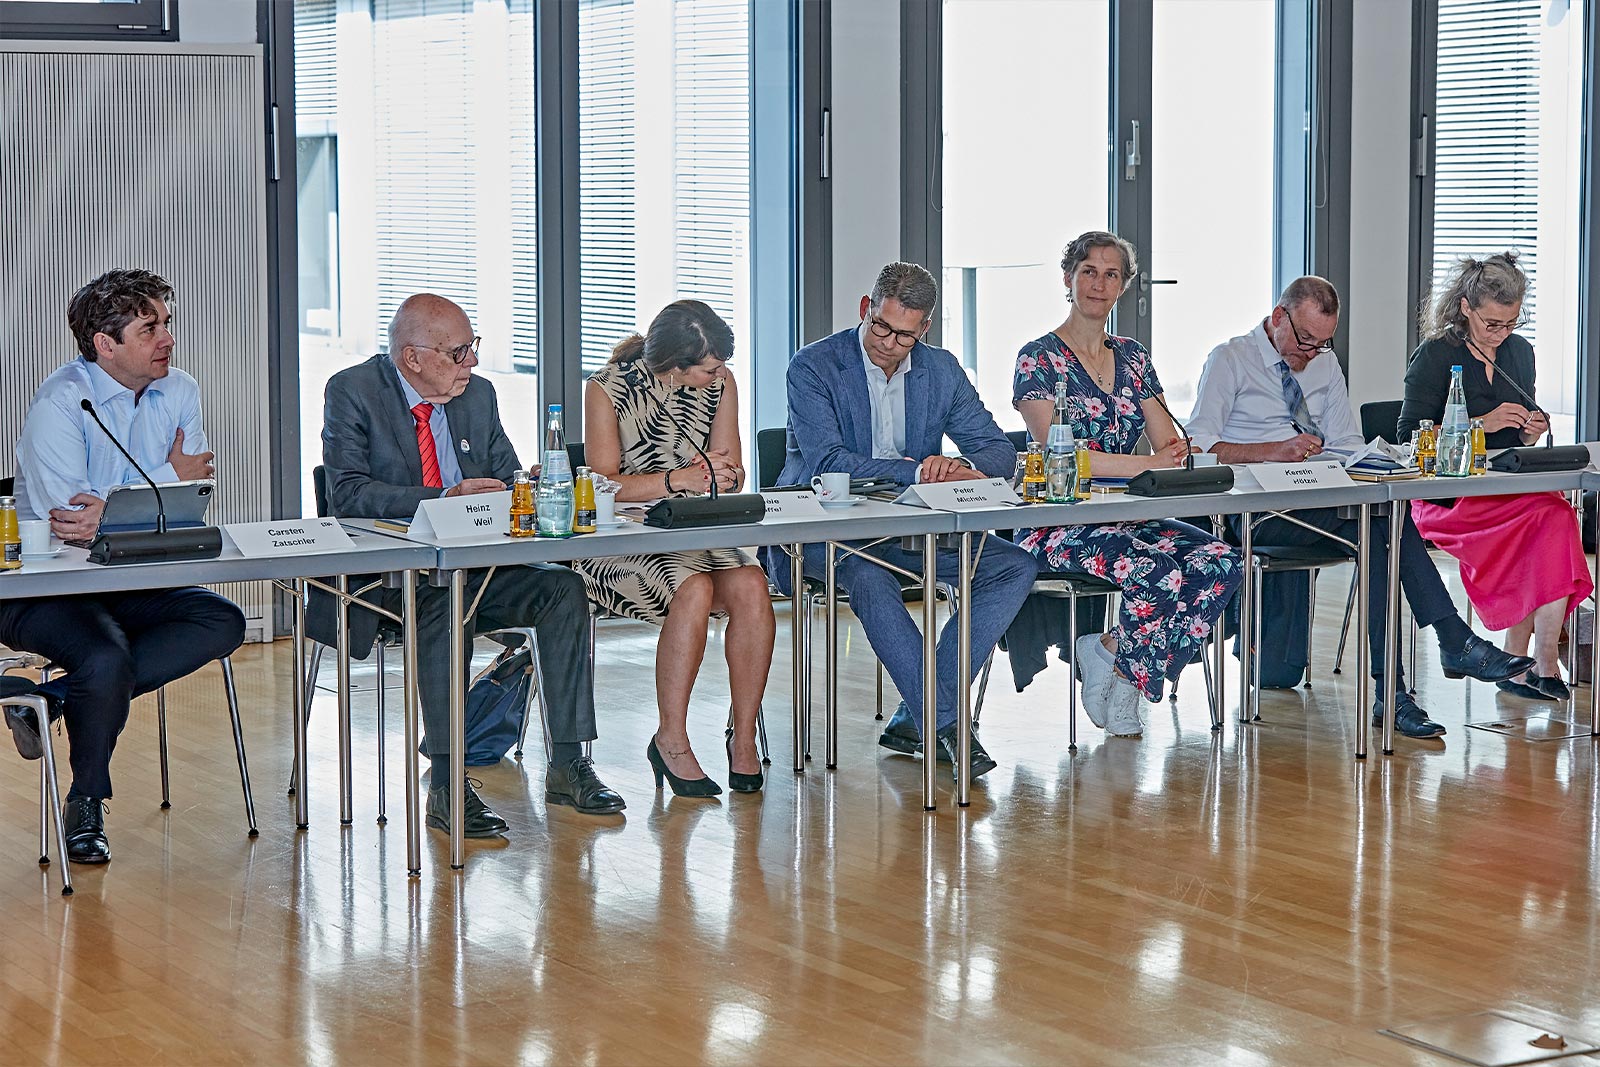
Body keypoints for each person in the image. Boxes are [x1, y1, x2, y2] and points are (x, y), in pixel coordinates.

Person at [321, 293, 624, 836]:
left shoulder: (476, 396)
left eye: (473, 347)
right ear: (413, 358)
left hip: (478, 567)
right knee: (442, 602)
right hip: (392, 578)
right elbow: (347, 493)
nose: (473, 363)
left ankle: (569, 761)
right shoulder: (354, 391)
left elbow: (507, 476)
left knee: (563, 591)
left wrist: (527, 486)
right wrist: (441, 495)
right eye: (460, 352)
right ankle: (446, 780)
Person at [1189, 275, 1535, 738]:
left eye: (1323, 343)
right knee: (1382, 532)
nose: (1312, 355)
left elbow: (1345, 442)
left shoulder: (1325, 363)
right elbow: (1200, 447)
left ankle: (1394, 693)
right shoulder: (1229, 360)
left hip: (1319, 497)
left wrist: (1369, 462)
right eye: (1306, 341)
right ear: (1277, 319)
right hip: (1256, 510)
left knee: (1385, 524)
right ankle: (1443, 651)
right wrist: (1273, 450)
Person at [0, 269, 246, 864]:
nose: (167, 338)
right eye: (149, 328)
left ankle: (57, 699)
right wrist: (161, 483)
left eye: (167, 324)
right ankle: (86, 803)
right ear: (104, 345)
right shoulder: (62, 401)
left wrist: (120, 504)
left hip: (134, 573)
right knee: (105, 658)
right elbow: (73, 522)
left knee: (223, 621)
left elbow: (192, 498)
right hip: (48, 584)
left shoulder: (180, 388)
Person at [767, 261, 1037, 780]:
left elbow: (998, 450)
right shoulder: (814, 366)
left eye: (905, 335)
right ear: (866, 309)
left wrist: (964, 469)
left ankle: (919, 714)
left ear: (925, 329)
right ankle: (947, 724)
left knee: (1014, 567)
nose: (889, 342)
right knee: (870, 578)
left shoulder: (941, 370)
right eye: (881, 327)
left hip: (912, 532)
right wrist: (918, 469)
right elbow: (828, 462)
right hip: (820, 533)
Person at [1012, 231, 1243, 736]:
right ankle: (1131, 682)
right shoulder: (1037, 359)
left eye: (1111, 274)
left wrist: (1167, 455)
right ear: (1067, 279)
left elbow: (1169, 445)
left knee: (1222, 562)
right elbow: (1063, 458)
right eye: (1088, 271)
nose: (1098, 283)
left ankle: (1115, 656)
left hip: (1127, 516)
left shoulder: (1134, 358)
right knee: (1157, 568)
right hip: (1056, 522)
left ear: (1124, 287)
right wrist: (1143, 464)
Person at [579, 300, 774, 796]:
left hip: (698, 531)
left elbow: (730, 472)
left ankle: (744, 738)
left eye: (721, 367)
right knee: (692, 589)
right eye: (709, 368)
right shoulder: (607, 388)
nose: (718, 376)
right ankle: (671, 738)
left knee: (752, 583)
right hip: (623, 541)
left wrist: (724, 476)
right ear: (675, 366)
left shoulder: (722, 384)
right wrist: (676, 478)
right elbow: (600, 484)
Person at [1398, 252, 1593, 700]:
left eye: (1510, 323)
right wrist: (1477, 425)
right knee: (1543, 522)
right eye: (1492, 324)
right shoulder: (1434, 355)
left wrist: (1530, 431)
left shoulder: (1520, 353)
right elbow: (1409, 439)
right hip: (1449, 497)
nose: (1501, 334)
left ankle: (1538, 657)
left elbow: (1518, 447)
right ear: (1465, 308)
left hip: (1506, 488)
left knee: (1557, 516)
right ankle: (1526, 660)